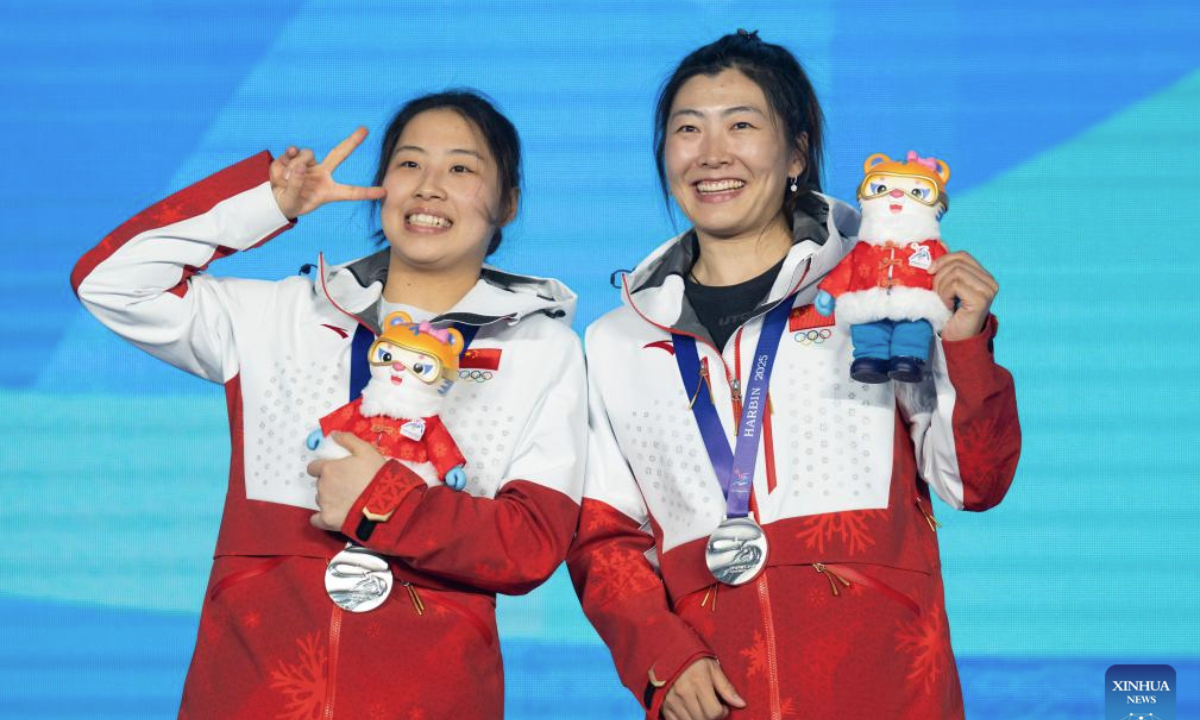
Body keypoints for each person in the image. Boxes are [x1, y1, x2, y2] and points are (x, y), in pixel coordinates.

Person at [72, 90, 586, 719]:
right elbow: (110, 282)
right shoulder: (277, 314)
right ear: (381, 186)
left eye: (461, 168)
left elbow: (531, 543)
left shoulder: (544, 350)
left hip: (429, 695)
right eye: (408, 164)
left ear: (507, 202)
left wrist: (390, 501)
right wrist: (269, 203)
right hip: (252, 688)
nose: (429, 187)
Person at [568, 31, 1020, 720]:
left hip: (885, 688)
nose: (711, 153)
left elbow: (974, 482)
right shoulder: (617, 339)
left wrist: (964, 345)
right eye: (687, 129)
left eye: (742, 125)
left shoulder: (880, 290)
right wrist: (663, 658)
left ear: (797, 153)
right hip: (719, 697)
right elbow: (601, 538)